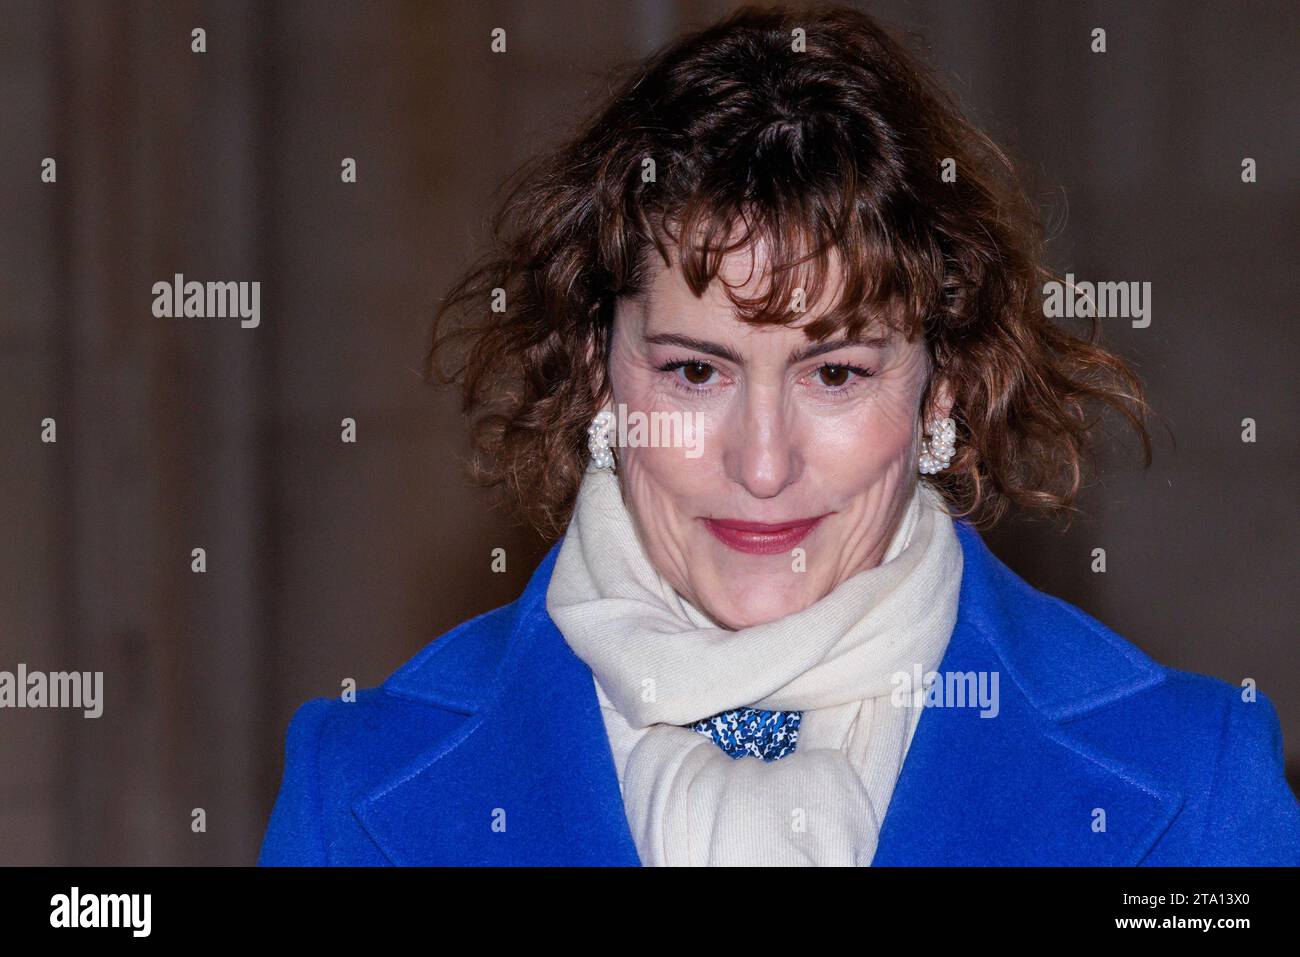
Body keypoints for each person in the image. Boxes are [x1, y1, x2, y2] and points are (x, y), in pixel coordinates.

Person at [258, 4, 1300, 866]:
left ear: (942, 393)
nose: (762, 466)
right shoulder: (355, 788)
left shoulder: (1190, 785)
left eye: (835, 373)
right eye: (695, 371)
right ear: (596, 377)